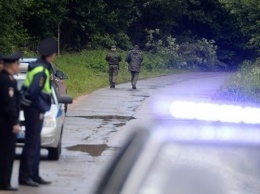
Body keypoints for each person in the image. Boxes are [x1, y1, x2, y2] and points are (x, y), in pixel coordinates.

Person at [19, 38, 57, 187]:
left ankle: (34, 175)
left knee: (35, 143)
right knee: (32, 143)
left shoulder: (37, 66)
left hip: (35, 108)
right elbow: (34, 90)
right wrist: (28, 104)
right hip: (35, 109)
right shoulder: (41, 70)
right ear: (51, 55)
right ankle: (26, 176)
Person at [0, 51, 23, 191]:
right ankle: (4, 182)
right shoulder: (6, 81)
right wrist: (15, 122)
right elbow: (9, 104)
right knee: (7, 153)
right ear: (13, 65)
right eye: (18, 64)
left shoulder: (8, 79)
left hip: (5, 120)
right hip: (6, 122)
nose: (19, 66)